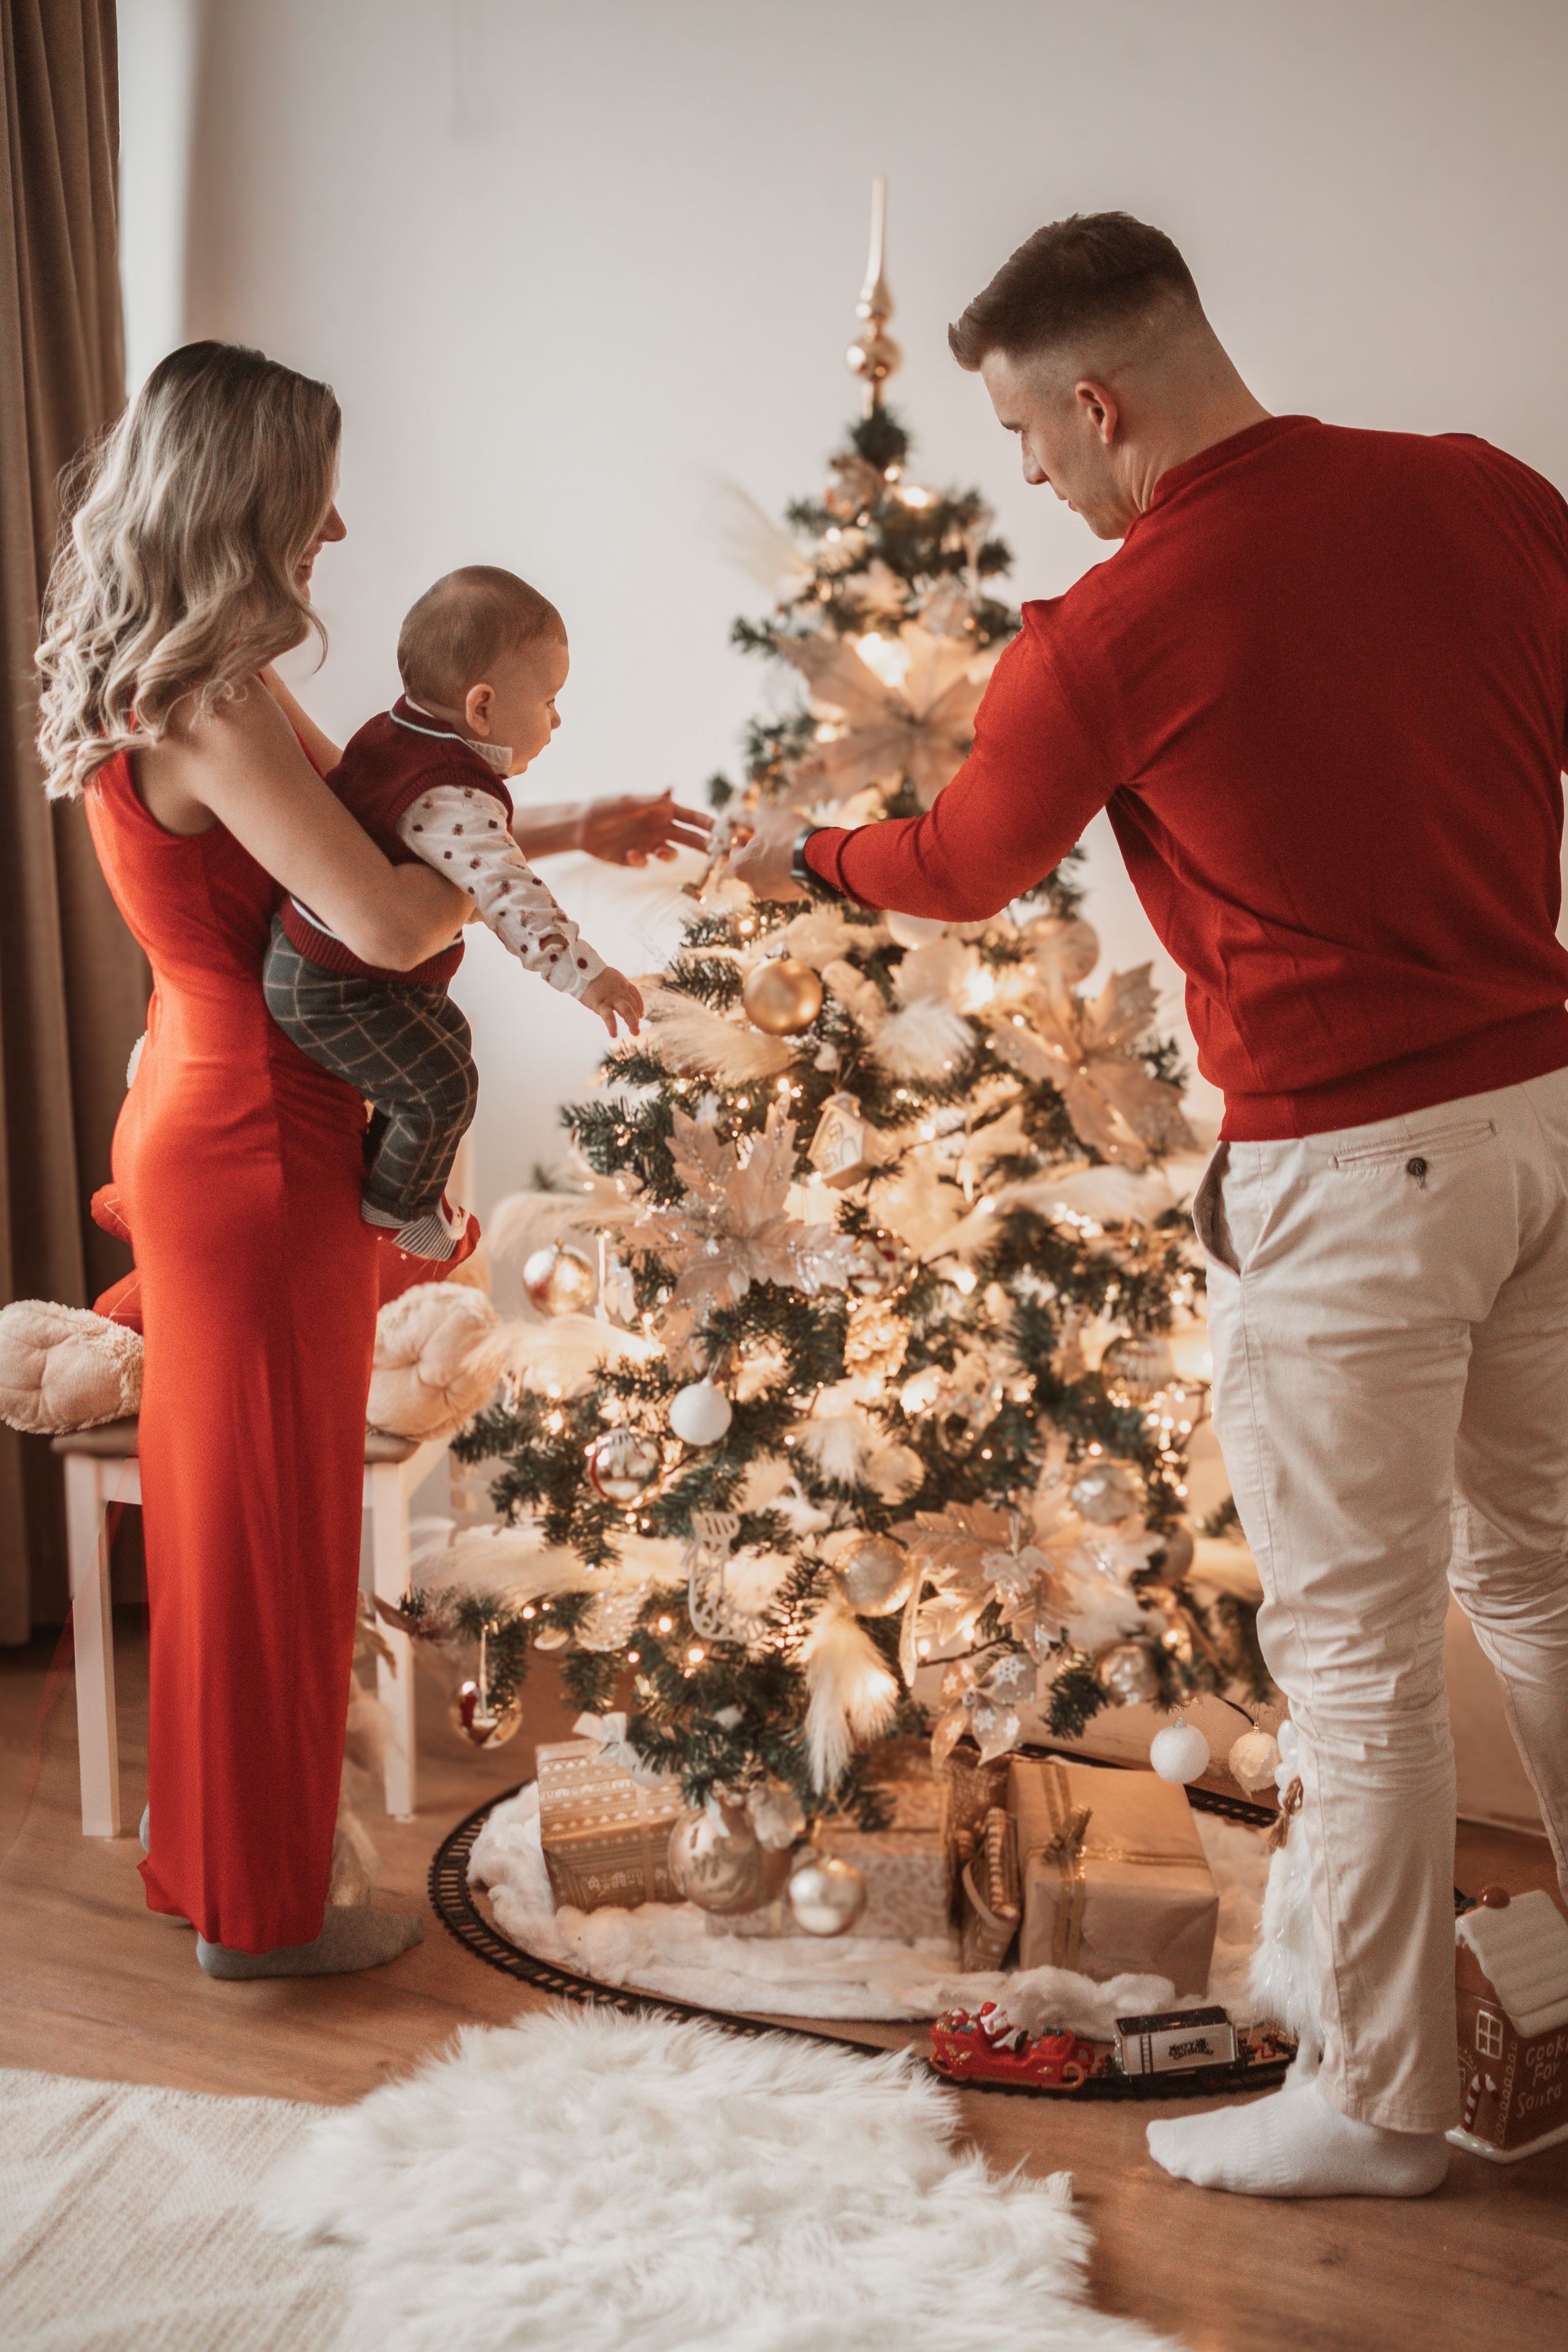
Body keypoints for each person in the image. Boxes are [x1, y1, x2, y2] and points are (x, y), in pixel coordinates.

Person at [733, 212, 1568, 2199]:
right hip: (1546, 1117)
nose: (1032, 477)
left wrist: (806, 854)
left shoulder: (1112, 630)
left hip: (1352, 1172)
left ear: (1097, 403)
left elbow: (960, 865)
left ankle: (1380, 2108)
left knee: (1358, 1658)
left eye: (1028, 435)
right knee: (1549, 1586)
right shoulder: (1480, 492)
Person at [35, 339, 707, 1979]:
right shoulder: (212, 704)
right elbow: (394, 913)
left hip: (220, 1105)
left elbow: (364, 843)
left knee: (233, 1522)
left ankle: (218, 1876)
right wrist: (509, 881)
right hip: (258, 1143)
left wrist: (561, 828)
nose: (335, 529)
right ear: (247, 496)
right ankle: (260, 1916)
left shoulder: (197, 677)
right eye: (315, 497)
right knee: (266, 1533)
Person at [263, 565, 644, 1262]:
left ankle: (385, 1169)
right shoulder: (449, 794)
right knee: (444, 1085)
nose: (557, 720)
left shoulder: (398, 731)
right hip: (332, 984)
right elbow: (510, 893)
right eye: (550, 700)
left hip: (317, 959)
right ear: (483, 708)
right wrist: (589, 978)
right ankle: (397, 1205)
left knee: (448, 1035)